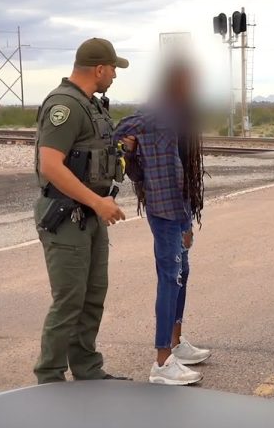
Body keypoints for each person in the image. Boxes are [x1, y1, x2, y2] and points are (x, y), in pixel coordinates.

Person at [32, 37, 130, 384]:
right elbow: (51, 166)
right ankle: (50, 376)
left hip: (89, 216)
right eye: (113, 69)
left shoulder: (91, 105)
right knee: (69, 300)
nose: (115, 76)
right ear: (99, 69)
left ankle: (87, 369)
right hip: (66, 216)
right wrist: (98, 202)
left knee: (91, 297)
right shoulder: (66, 106)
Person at [114, 61, 211, 386]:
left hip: (178, 206)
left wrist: (187, 218)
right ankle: (161, 361)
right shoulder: (156, 111)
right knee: (169, 278)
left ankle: (176, 344)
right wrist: (131, 157)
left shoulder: (175, 112)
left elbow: (178, 164)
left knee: (183, 272)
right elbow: (119, 133)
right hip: (162, 207)